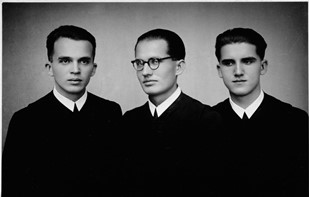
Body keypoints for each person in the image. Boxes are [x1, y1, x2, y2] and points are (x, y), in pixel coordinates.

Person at [2, 25, 123, 196]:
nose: (75, 70)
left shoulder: (110, 112)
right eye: (65, 61)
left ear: (93, 68)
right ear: (50, 68)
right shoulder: (26, 120)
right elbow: (12, 187)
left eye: (84, 61)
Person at [122, 28, 222, 196]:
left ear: (179, 66)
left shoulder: (206, 119)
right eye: (140, 63)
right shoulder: (129, 121)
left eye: (155, 61)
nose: (145, 72)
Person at [212, 27, 308, 196]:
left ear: (262, 66)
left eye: (247, 61)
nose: (238, 72)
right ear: (219, 70)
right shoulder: (205, 122)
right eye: (229, 63)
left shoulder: (295, 120)